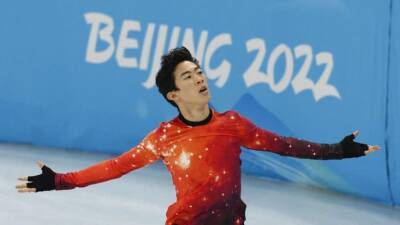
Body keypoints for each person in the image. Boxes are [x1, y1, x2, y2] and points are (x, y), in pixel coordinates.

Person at [16, 47, 380, 225]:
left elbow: (284, 146)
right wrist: (60, 181)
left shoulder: (234, 124)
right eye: (188, 77)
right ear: (173, 95)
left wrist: (337, 150)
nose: (199, 78)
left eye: (200, 72)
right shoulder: (163, 137)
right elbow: (117, 167)